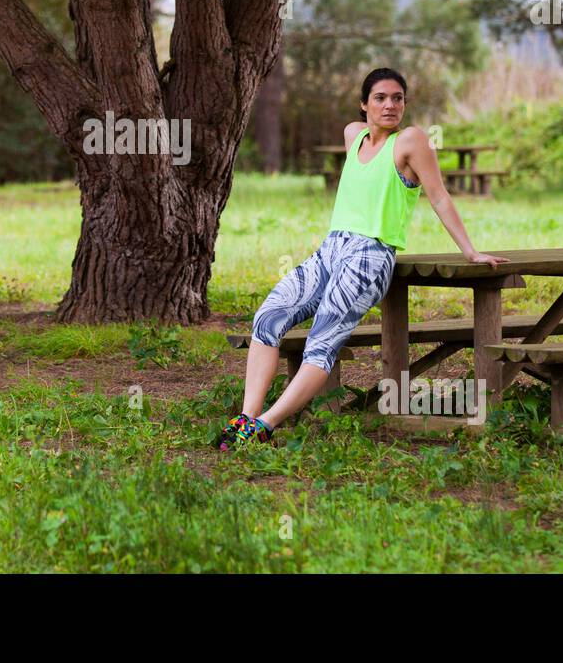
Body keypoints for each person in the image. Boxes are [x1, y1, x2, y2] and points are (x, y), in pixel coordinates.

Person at [214, 67, 510, 450]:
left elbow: (439, 196)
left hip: (369, 256)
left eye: (397, 98)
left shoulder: (411, 141)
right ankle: (247, 416)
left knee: (321, 343)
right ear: (363, 104)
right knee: (268, 318)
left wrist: (469, 250)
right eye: (380, 98)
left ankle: (265, 426)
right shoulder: (353, 136)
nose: (390, 105)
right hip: (331, 249)